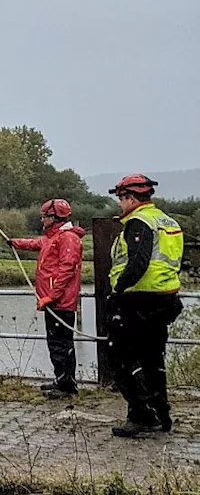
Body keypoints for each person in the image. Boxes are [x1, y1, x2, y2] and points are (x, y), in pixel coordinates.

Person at [105, 174, 184, 438]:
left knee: (121, 358)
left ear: (130, 198)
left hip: (137, 299)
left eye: (120, 199)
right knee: (152, 358)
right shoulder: (167, 221)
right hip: (165, 298)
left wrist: (117, 291)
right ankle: (162, 412)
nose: (119, 205)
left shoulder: (138, 223)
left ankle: (140, 413)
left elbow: (138, 263)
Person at [8, 199, 86, 399]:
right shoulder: (54, 237)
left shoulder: (67, 238)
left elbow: (66, 270)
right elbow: (35, 243)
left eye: (44, 216)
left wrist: (51, 296)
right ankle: (61, 379)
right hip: (53, 301)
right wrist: (15, 242)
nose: (42, 220)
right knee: (56, 343)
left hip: (60, 302)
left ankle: (67, 385)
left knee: (62, 344)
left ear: (54, 217)